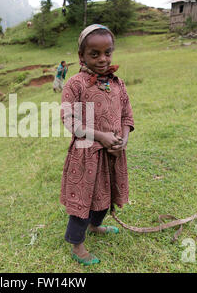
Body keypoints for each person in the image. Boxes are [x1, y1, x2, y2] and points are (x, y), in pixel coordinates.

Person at [60, 24, 135, 266]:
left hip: (113, 155)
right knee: (83, 199)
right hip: (86, 156)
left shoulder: (118, 84)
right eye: (95, 54)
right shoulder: (75, 84)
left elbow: (127, 116)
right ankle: (77, 244)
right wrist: (100, 136)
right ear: (81, 56)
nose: (102, 59)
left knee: (106, 196)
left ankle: (96, 226)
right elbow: (68, 119)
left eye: (108, 52)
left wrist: (123, 139)